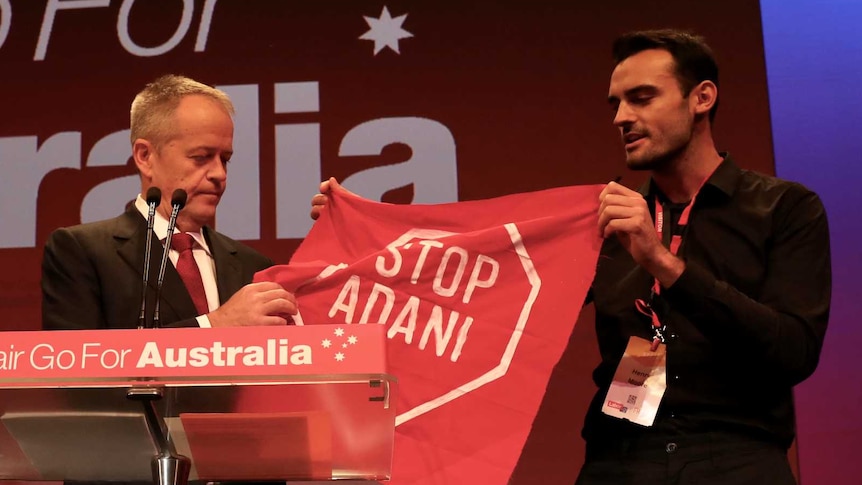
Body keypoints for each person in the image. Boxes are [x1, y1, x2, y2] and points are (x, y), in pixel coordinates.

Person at [310, 30, 831, 485]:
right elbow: (482, 292)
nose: (623, 117)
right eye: (616, 104)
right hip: (621, 458)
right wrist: (361, 237)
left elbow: (793, 351)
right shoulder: (604, 219)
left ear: (702, 98)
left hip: (737, 460)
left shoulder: (785, 209)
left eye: (643, 98)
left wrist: (663, 264)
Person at [42, 74, 297, 330]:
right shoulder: (83, 251)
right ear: (145, 156)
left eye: (225, 159)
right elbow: (75, 361)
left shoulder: (252, 267)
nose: (219, 173)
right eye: (201, 157)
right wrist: (214, 325)